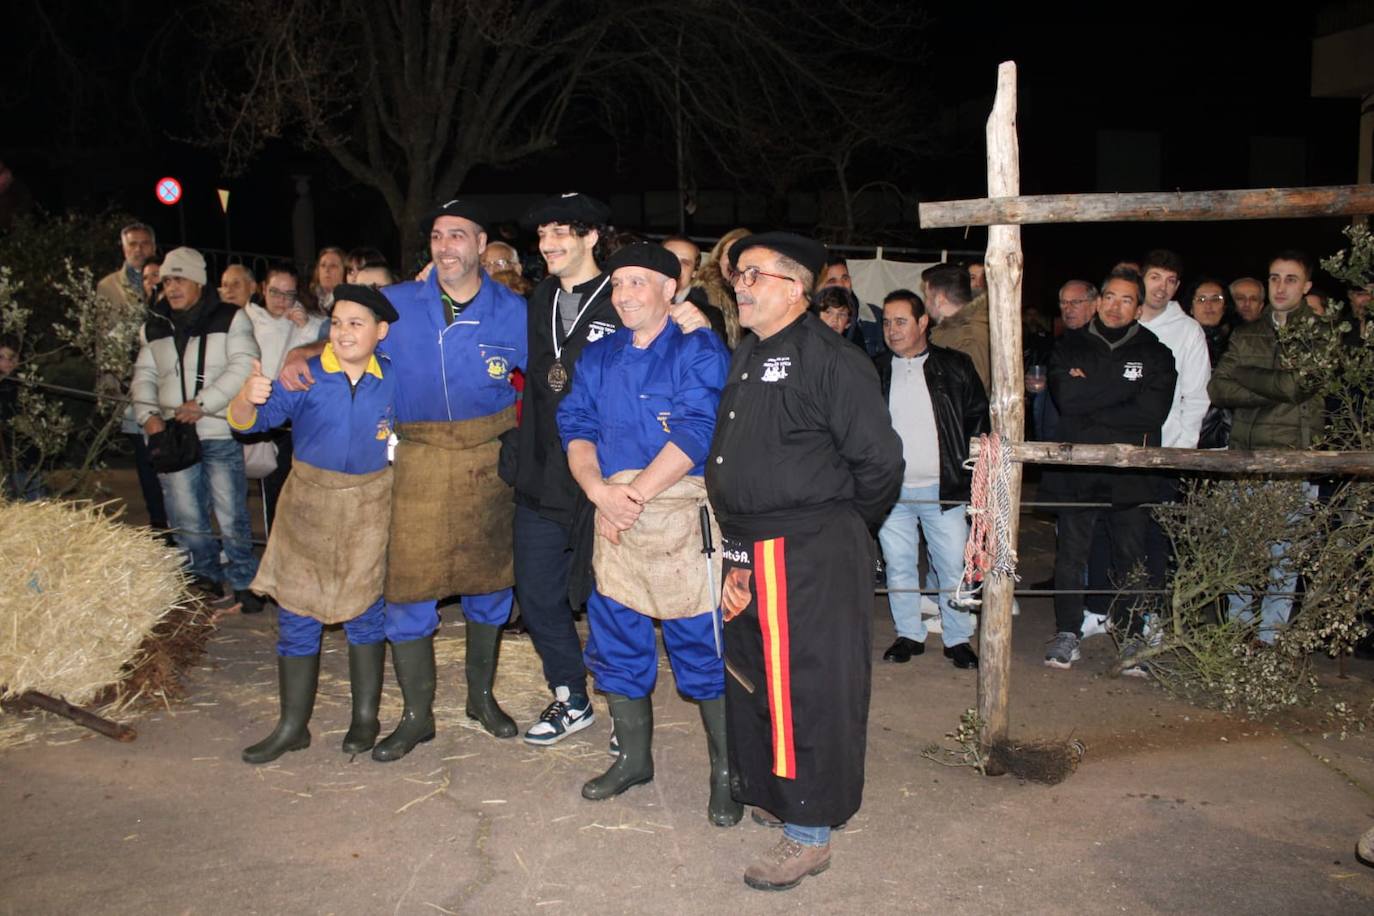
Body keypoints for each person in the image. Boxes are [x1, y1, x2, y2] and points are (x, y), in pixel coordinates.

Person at [279, 198, 527, 760]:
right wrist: (304, 350)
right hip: (415, 460)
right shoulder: (398, 301)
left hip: (488, 460)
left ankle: (481, 699)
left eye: (458, 236)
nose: (446, 246)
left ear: (481, 245)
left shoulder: (513, 311)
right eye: (438, 236)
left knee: (491, 586)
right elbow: (347, 333)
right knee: (408, 590)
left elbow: (546, 383)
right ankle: (417, 717)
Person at [707, 231, 903, 890]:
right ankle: (775, 793)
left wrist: (840, 528)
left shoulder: (833, 360)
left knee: (809, 689)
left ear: (794, 286)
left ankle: (810, 832)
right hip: (747, 546)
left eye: (754, 274)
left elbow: (879, 464)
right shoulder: (748, 352)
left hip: (809, 551)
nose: (741, 284)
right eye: (740, 275)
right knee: (754, 677)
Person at [514, 193, 711, 747]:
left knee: (618, 602)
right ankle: (570, 695)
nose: (548, 245)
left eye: (560, 233)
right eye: (543, 236)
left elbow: (693, 371)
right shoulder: (538, 298)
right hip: (549, 471)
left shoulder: (631, 295)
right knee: (536, 593)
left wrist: (693, 316)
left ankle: (627, 716)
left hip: (618, 479)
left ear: (590, 237)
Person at [557, 242, 737, 825]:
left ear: (671, 289)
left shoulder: (697, 347)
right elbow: (576, 424)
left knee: (702, 650)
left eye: (640, 282)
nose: (626, 294)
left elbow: (698, 431)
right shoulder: (600, 353)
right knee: (616, 646)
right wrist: (599, 493)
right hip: (613, 519)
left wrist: (632, 496)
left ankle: (727, 774)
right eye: (618, 284)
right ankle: (634, 759)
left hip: (678, 519)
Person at [228, 284, 398, 764]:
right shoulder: (304, 376)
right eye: (337, 323)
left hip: (370, 507)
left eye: (356, 324)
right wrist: (247, 395)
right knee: (297, 615)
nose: (343, 333)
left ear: (381, 332)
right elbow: (247, 424)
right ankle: (292, 725)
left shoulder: (394, 379)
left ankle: (365, 717)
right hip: (308, 507)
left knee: (366, 613)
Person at [1041, 268, 1177, 671]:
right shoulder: (1070, 346)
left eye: (1127, 300)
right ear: (1099, 301)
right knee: (1070, 554)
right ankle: (1068, 632)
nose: (1116, 307)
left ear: (1138, 308)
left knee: (1131, 557)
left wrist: (1093, 391)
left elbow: (1151, 411)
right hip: (1077, 472)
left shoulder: (1156, 352)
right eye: (1111, 297)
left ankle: (1133, 636)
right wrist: (1120, 390)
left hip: (1130, 473)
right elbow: (1068, 399)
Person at [129, 246, 261, 611]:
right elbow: (144, 376)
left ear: (199, 282)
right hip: (172, 435)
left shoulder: (231, 317)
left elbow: (244, 365)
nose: (171, 286)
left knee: (232, 511)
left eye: (180, 278)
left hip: (217, 430)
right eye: (167, 279)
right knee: (185, 514)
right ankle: (203, 577)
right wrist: (148, 417)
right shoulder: (154, 325)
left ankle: (244, 580)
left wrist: (203, 404)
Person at [1208, 250, 1326, 643]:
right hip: (1244, 455)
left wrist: (1245, 374)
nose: (1280, 286)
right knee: (1238, 551)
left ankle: (1270, 638)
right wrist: (1274, 388)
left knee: (1283, 558)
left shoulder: (1320, 333)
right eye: (1274, 277)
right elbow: (1218, 388)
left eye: (1290, 279)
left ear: (1306, 285)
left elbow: (1300, 386)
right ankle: (1238, 632)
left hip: (1291, 459)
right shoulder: (1248, 332)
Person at [873, 291, 988, 669]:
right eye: (887, 322)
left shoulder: (955, 366)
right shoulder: (875, 369)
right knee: (899, 564)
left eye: (901, 321)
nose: (892, 330)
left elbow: (978, 423)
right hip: (892, 490)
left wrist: (974, 479)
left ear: (924, 322)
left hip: (945, 489)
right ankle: (908, 633)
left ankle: (957, 637)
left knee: (953, 566)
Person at [241, 262, 324, 526]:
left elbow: (321, 346)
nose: (281, 300)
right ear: (263, 289)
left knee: (289, 490)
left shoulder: (302, 323)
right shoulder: (246, 319)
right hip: (255, 410)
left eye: (289, 294)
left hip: (289, 420)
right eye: (275, 292)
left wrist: (305, 326)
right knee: (262, 488)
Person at [924, 263, 990, 390]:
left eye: (927, 297)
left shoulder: (968, 338)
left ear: (940, 300)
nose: (925, 303)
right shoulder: (951, 331)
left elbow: (968, 394)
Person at [310, 246, 347, 312]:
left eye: (333, 266)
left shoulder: (349, 301)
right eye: (323, 265)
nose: (326, 270)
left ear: (344, 271)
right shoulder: (307, 299)